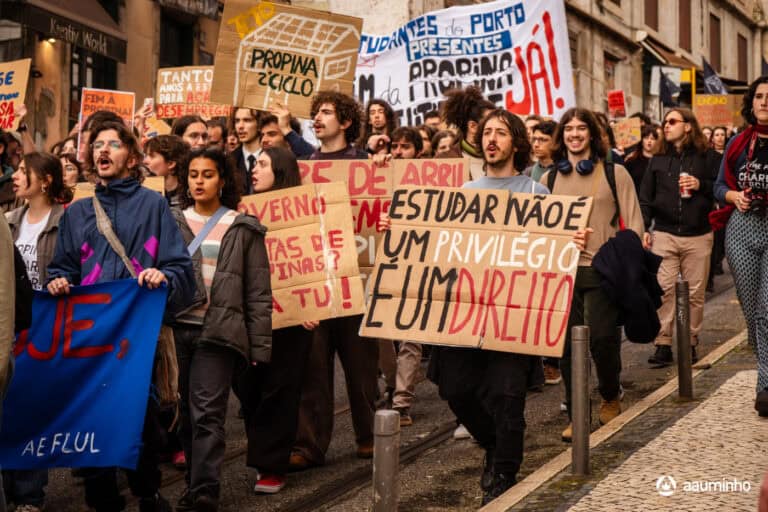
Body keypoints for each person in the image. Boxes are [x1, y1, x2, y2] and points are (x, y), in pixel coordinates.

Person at [420, 108, 585, 503]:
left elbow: (550, 253)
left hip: (513, 316)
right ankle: (494, 446)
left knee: (508, 398)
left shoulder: (535, 194)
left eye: (501, 133)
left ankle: (504, 475)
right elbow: (441, 251)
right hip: (466, 316)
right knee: (456, 390)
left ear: (516, 143)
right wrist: (404, 233)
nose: (492, 138)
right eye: (487, 133)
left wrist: (570, 244)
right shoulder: (464, 195)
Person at [46, 120, 195, 512]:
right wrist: (59, 281)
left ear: (131, 156)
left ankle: (147, 492)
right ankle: (101, 499)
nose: (102, 150)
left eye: (112, 144)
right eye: (97, 145)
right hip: (90, 338)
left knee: (139, 417)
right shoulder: (76, 213)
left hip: (135, 336)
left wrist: (163, 276)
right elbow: (61, 268)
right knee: (90, 416)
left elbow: (183, 271)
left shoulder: (153, 205)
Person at [171, 147, 271, 511]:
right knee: (184, 412)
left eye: (208, 174)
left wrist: (259, 347)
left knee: (208, 412)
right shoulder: (171, 222)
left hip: (219, 333)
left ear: (223, 180)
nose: (199, 181)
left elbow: (258, 292)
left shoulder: (243, 227)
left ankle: (205, 491)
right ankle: (194, 482)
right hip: (176, 331)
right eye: (193, 174)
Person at [542, 108, 644, 442]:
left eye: (580, 128)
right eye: (568, 128)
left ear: (592, 134)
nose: (574, 134)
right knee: (568, 348)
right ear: (562, 137)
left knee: (601, 338)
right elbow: (539, 230)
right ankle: (576, 413)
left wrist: (628, 264)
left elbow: (634, 225)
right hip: (563, 273)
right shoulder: (549, 180)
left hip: (600, 270)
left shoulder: (615, 174)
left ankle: (611, 393)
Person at [290, 91, 379, 470]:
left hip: (355, 282)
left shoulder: (365, 163)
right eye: (315, 113)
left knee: (361, 367)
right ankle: (309, 446)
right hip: (317, 280)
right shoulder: (301, 167)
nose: (318, 118)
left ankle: (369, 436)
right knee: (313, 368)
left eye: (326, 112)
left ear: (345, 122)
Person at [232, 146, 315, 494]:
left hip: (293, 318)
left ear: (280, 171)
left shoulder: (305, 213)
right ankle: (265, 449)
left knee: (280, 389)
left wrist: (315, 304)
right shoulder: (239, 210)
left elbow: (320, 258)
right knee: (248, 385)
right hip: (250, 315)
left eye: (263, 164)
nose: (255, 169)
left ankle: (270, 464)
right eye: (254, 163)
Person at [3, 152, 72, 512]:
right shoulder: (8, 221)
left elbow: (75, 265)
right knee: (8, 406)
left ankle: (29, 495)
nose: (15, 176)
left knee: (32, 408)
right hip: (11, 325)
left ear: (45, 179)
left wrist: (65, 280)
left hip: (46, 327)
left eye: (23, 171)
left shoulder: (67, 221)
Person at [640, 108, 720, 367]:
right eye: (664, 122)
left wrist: (700, 185)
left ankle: (690, 342)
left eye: (672, 121)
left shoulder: (707, 157)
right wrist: (643, 227)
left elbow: (720, 189)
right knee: (663, 289)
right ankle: (663, 343)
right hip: (664, 233)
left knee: (695, 294)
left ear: (687, 126)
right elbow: (646, 198)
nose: (666, 126)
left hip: (699, 235)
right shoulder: (658, 159)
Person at [712, 76, 768, 417]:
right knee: (752, 314)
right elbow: (719, 187)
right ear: (751, 103)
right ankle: (766, 363)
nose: (764, 101)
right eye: (759, 96)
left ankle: (764, 387)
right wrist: (734, 196)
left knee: (766, 310)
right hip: (741, 230)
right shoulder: (737, 144)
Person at [437, 86, 496, 180]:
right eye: (490, 123)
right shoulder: (443, 162)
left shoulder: (506, 158)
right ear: (473, 126)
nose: (497, 127)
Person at [143, 135, 189, 208]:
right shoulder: (143, 192)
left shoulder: (189, 196)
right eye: (146, 156)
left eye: (151, 156)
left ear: (170, 164)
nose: (145, 161)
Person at [230, 108, 261, 194]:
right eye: (237, 121)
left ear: (259, 124)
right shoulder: (229, 160)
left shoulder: (273, 157)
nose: (240, 126)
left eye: (247, 120)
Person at [624, 125, 660, 194]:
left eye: (652, 139)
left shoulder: (660, 161)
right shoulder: (631, 161)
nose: (649, 141)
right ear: (641, 140)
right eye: (646, 138)